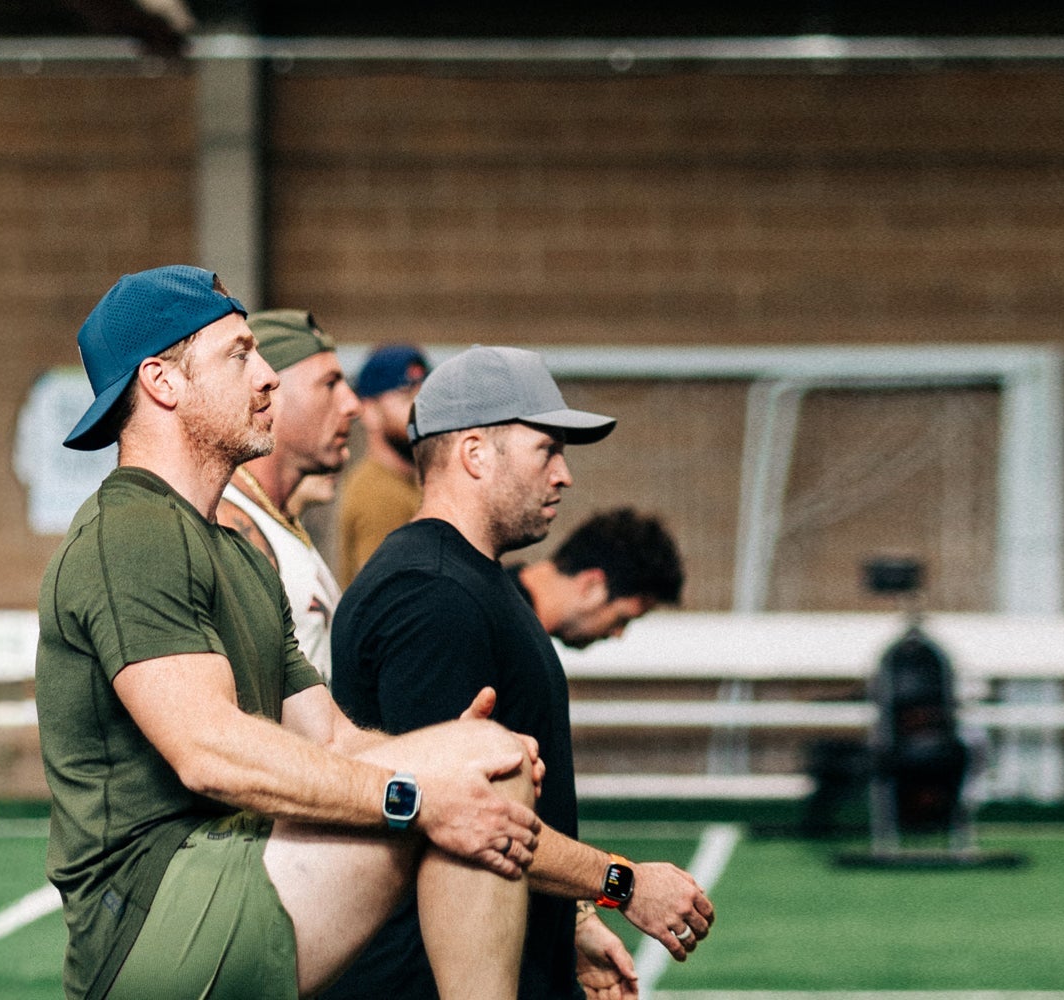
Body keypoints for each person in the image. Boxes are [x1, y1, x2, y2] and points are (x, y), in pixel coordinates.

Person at [38, 267, 550, 1000]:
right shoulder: (132, 530)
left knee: (483, 758)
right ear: (162, 382)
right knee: (465, 772)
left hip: (234, 865)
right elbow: (208, 752)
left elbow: (334, 740)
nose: (270, 377)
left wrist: (446, 760)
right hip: (158, 918)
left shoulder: (237, 554)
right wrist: (416, 791)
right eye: (240, 354)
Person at [329, 346, 715, 1000]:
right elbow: (465, 821)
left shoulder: (472, 580)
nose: (563, 475)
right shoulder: (432, 596)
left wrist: (575, 921)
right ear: (476, 453)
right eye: (547, 450)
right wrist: (624, 886)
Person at [213, 309, 361, 679]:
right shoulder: (232, 525)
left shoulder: (280, 521)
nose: (351, 404)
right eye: (330, 384)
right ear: (271, 392)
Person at [512, 508, 685, 651]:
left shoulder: (501, 609)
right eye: (622, 619)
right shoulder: (505, 634)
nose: (618, 634)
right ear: (591, 585)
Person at [334, 343, 428, 585]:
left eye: (425, 397)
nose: (421, 411)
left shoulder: (407, 483)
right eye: (407, 397)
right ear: (369, 411)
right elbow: (390, 599)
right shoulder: (379, 495)